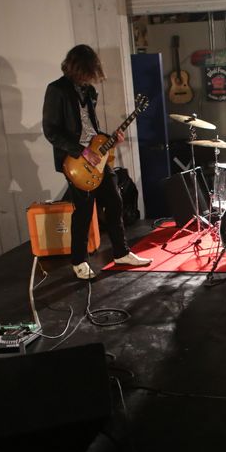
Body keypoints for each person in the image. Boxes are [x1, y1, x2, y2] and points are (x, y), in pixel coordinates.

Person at [42, 44, 152, 280]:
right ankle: (79, 261)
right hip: (74, 160)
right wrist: (82, 151)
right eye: (87, 71)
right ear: (77, 67)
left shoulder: (89, 91)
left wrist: (111, 139)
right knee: (83, 210)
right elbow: (51, 131)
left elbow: (90, 128)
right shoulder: (56, 90)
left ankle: (121, 253)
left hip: (96, 157)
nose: (90, 77)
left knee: (115, 202)